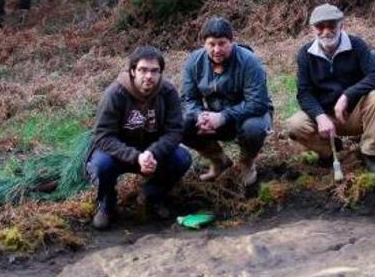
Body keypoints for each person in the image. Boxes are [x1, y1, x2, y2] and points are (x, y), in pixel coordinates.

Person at [85, 46, 192, 230]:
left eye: (154, 71)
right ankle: (107, 204)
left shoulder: (168, 92)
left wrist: (152, 152)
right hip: (119, 153)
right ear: (133, 71)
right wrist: (136, 157)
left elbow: (175, 131)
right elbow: (102, 136)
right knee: (101, 165)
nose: (148, 76)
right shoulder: (115, 94)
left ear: (160, 73)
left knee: (182, 158)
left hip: (153, 153)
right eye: (143, 70)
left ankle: (152, 195)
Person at [286, 3, 375, 174]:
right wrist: (319, 117)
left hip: (355, 113)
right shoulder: (305, 54)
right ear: (313, 29)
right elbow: (304, 93)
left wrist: (347, 96)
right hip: (326, 118)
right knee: (294, 124)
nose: (326, 31)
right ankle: (328, 151)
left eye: (332, 25)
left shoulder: (357, 45)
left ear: (342, 25)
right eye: (320, 26)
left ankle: (369, 152)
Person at [180, 17, 273, 186]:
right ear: (204, 44)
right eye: (211, 44)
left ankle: (247, 163)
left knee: (254, 129)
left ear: (232, 41)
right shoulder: (194, 62)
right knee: (180, 124)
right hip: (213, 116)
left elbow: (258, 103)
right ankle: (219, 160)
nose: (217, 49)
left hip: (248, 116)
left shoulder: (249, 61)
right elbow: (189, 99)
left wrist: (222, 117)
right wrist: (200, 115)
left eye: (222, 43)